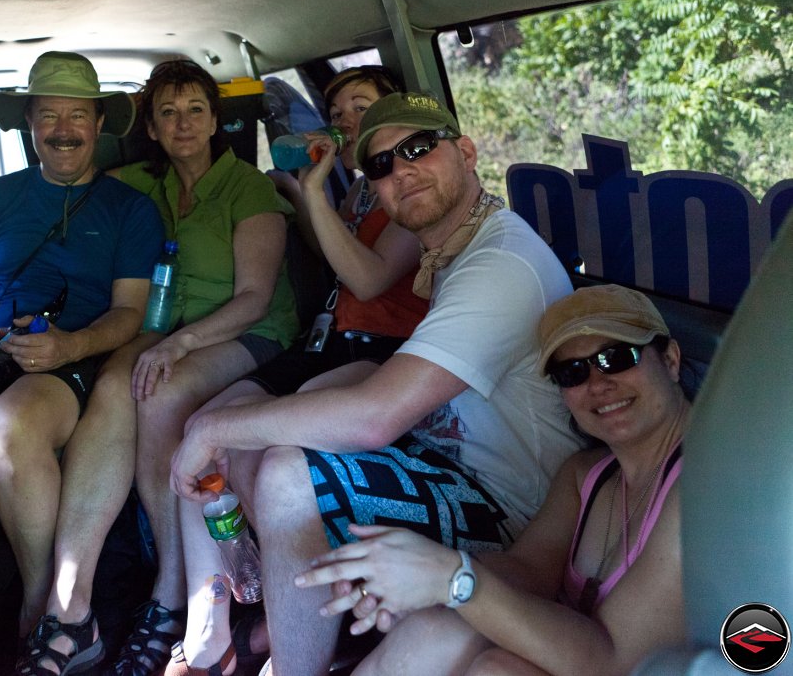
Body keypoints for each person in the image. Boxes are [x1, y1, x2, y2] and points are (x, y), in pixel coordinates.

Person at [171, 90, 586, 675]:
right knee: (275, 437)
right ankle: (288, 627)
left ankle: (293, 661)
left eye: (419, 148)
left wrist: (211, 426)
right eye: (382, 165)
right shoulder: (450, 252)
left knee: (292, 475)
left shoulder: (502, 262)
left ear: (465, 152)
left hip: (510, 508)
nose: (402, 170)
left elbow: (376, 417)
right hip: (449, 463)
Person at [0, 51, 164, 676]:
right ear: (29, 123)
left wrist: (69, 347)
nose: (63, 128)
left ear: (100, 124)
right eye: (48, 114)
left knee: (13, 423)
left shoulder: (130, 209)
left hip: (72, 353)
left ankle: (43, 610)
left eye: (78, 114)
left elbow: (132, 313)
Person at [166, 65, 428, 673]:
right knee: (206, 422)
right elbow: (335, 261)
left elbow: (367, 276)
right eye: (337, 113)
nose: (346, 122)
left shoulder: (407, 196)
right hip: (326, 340)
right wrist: (295, 194)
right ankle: (213, 619)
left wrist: (311, 193)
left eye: (360, 106)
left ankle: (304, 620)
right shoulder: (361, 191)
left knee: (267, 439)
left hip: (379, 352)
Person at [297, 284, 689, 676]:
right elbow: (529, 570)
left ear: (670, 360)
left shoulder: (706, 484)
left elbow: (614, 664)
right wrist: (411, 579)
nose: (598, 384)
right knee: (437, 627)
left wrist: (454, 579)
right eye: (573, 372)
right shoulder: (587, 474)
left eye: (617, 357)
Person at [107, 59, 299, 676]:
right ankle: (161, 568)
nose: (183, 123)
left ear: (216, 121)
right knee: (123, 389)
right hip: (176, 336)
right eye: (168, 112)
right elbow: (67, 185)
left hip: (255, 337)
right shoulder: (145, 182)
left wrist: (178, 345)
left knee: (160, 394)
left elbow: (255, 300)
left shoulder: (248, 188)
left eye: (196, 110)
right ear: (154, 130)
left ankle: (170, 590)